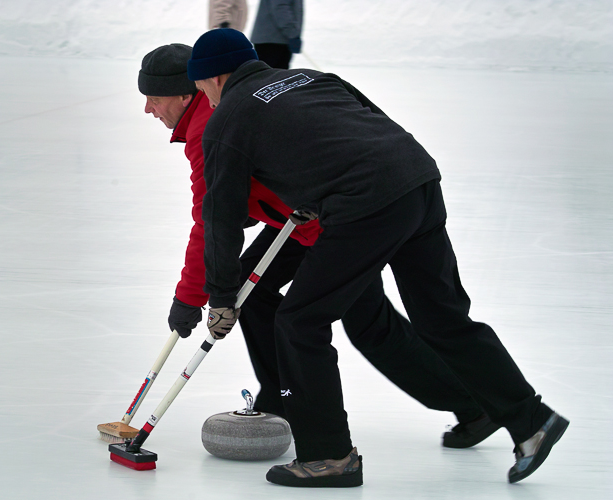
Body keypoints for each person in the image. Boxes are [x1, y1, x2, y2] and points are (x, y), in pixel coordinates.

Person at [186, 28, 569, 488]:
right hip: (417, 179)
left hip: (367, 203)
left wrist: (223, 295)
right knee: (443, 318)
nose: (204, 97)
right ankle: (532, 421)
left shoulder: (229, 119)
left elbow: (222, 217)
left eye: (202, 86)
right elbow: (371, 126)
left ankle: (328, 457)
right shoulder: (312, 78)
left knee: (300, 321)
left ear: (215, 77)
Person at [138, 42, 500, 455]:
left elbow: (211, 223)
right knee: (253, 296)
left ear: (186, 93)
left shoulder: (209, 128)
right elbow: (237, 203)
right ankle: (284, 397)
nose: (149, 109)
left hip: (333, 222)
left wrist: (190, 297)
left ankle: (471, 405)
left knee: (368, 323)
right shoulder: (211, 114)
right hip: (300, 221)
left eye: (153, 98)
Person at [250, 0, 302, 69]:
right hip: (272, 40)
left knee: (276, 75)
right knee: (269, 76)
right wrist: (292, 33)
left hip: (278, 39)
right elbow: (280, 9)